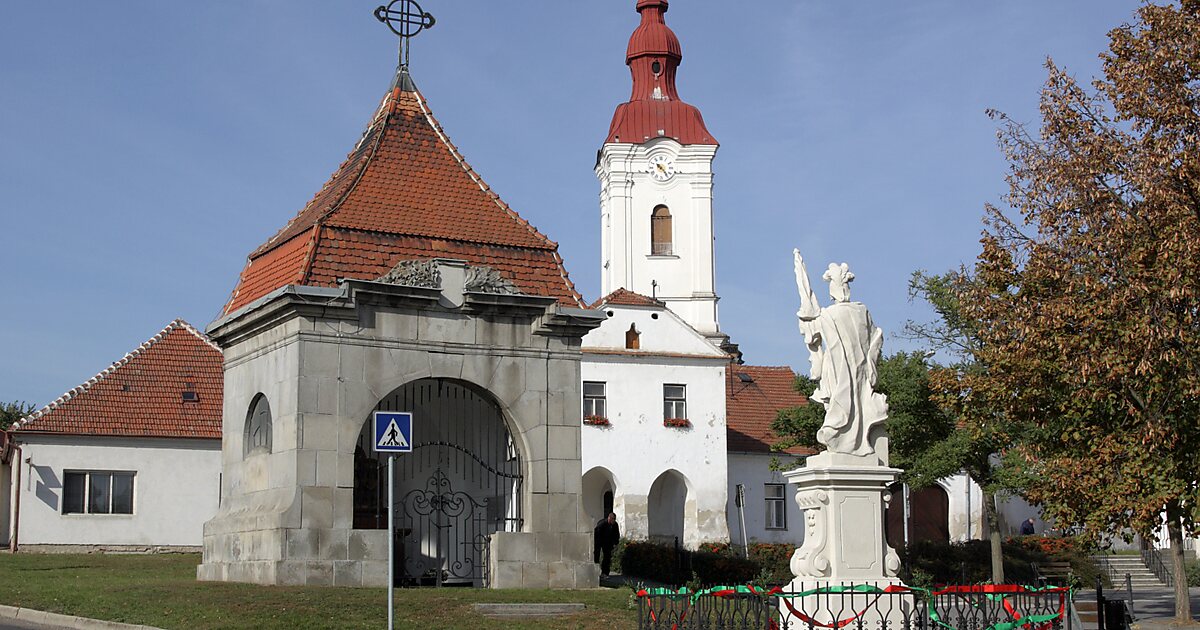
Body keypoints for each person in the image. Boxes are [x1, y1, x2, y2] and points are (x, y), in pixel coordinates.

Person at [593, 512, 620, 578]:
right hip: (599, 541)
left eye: (614, 519)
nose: (614, 520)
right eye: (613, 519)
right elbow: (596, 533)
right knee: (596, 555)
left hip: (608, 542)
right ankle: (594, 572)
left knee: (607, 557)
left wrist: (615, 542)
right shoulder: (602, 524)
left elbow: (616, 534)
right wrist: (597, 544)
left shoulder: (615, 525)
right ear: (609, 518)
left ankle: (605, 573)